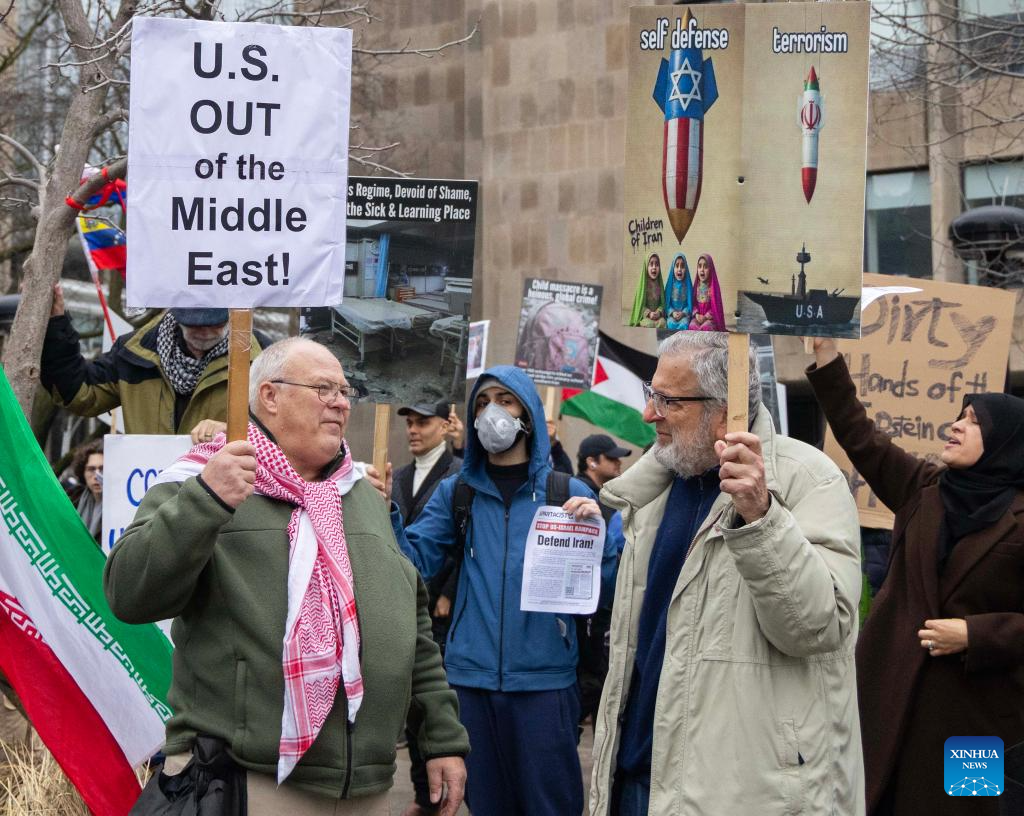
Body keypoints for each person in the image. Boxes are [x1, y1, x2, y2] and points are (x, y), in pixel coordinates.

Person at [104, 338, 468, 815]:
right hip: (247, 782)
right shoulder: (208, 477)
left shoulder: (361, 496)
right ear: (270, 396)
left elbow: (410, 626)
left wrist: (441, 738)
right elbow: (129, 593)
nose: (341, 403)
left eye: (344, 391)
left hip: (366, 789)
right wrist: (206, 500)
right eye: (323, 389)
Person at [590, 332, 863, 816]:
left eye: (668, 400)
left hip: (740, 791)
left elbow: (817, 628)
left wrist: (762, 517)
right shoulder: (654, 488)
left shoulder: (808, 479)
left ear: (724, 410)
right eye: (652, 394)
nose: (649, 414)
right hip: (639, 778)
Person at [807, 338, 1024, 816]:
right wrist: (826, 357)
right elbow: (859, 435)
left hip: (975, 720)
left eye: (974, 421)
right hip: (888, 700)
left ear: (1005, 442)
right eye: (959, 416)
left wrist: (977, 634)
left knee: (967, 808)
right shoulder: (922, 488)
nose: (956, 425)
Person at [397, 365, 617, 816]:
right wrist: (386, 515)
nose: (491, 412)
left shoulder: (566, 492)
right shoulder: (456, 494)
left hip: (545, 684)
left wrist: (600, 539)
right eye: (482, 403)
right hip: (469, 683)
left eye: (504, 400)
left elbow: (608, 587)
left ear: (528, 415)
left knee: (550, 806)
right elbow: (410, 568)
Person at [40, 283, 263, 437]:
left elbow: (280, 434)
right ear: (175, 316)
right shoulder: (133, 353)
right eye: (194, 325)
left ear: (232, 315)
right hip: (150, 487)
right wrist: (56, 326)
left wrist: (232, 433)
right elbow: (81, 394)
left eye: (215, 324)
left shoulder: (262, 358)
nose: (205, 332)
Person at [394, 400, 463, 816]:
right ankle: (424, 794)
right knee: (411, 705)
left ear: (444, 425)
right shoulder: (399, 476)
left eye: (423, 422)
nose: (413, 430)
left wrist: (448, 592)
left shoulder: (458, 475)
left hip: (438, 608)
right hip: (404, 601)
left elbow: (463, 540)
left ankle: (437, 797)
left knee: (435, 700)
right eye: (409, 423)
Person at [574, 434, 632, 729]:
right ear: (591, 462)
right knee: (589, 682)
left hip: (598, 607)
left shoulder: (607, 497)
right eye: (611, 458)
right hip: (587, 609)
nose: (618, 462)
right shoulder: (580, 498)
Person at [69, 438, 104, 546]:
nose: (97, 476)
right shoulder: (72, 501)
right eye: (91, 469)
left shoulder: (123, 506)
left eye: (102, 469)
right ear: (83, 472)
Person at [687, 253, 725, 331]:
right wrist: (696, 315)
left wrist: (705, 317)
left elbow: (716, 308)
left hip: (709, 319)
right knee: (692, 326)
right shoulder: (696, 286)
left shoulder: (713, 287)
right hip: (698, 317)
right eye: (699, 266)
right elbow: (693, 304)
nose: (702, 270)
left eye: (705, 267)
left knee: (706, 327)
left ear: (710, 269)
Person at [628, 253, 666, 328]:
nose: (654, 267)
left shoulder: (659, 284)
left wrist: (659, 312)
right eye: (651, 264)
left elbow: (662, 303)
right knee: (650, 324)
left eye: (657, 264)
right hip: (646, 317)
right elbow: (640, 305)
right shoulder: (643, 285)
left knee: (663, 323)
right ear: (646, 267)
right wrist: (649, 313)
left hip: (658, 317)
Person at [663, 253, 693, 331]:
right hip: (672, 316)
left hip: (684, 316)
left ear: (686, 269)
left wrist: (683, 313)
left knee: (684, 324)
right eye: (677, 266)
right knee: (670, 323)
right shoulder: (670, 285)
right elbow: (667, 303)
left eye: (682, 266)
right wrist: (672, 312)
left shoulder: (688, 286)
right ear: (673, 268)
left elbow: (689, 304)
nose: (679, 269)